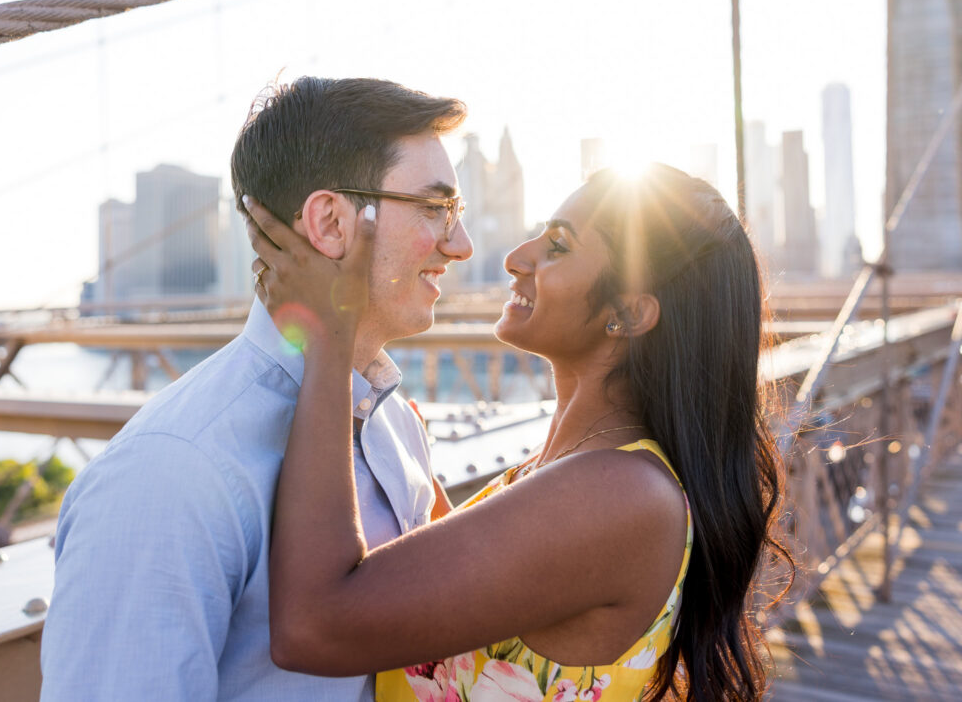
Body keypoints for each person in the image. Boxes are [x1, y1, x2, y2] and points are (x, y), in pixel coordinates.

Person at [243, 163, 790, 701]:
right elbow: (476, 607)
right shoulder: (576, 468)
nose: (514, 257)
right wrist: (402, 453)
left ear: (628, 311)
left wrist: (330, 339)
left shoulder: (618, 494)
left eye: (558, 245)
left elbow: (312, 628)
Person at [40, 76, 474, 701]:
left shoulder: (395, 426)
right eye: (435, 208)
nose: (459, 244)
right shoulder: (171, 472)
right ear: (330, 222)